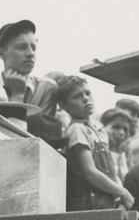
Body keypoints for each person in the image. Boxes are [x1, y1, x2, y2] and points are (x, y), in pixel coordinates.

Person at [55, 76, 134, 212]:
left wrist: (120, 193)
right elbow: (90, 172)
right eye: (77, 96)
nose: (86, 98)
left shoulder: (100, 131)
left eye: (87, 93)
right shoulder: (76, 129)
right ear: (63, 106)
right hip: (88, 204)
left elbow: (112, 172)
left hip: (105, 201)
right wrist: (122, 192)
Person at [0, 20, 62, 141]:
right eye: (22, 47)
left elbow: (42, 140)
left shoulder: (46, 88)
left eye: (33, 48)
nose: (30, 54)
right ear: (1, 54)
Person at [100, 108, 135, 182]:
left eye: (125, 129)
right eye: (116, 127)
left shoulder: (126, 151)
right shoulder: (98, 149)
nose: (121, 133)